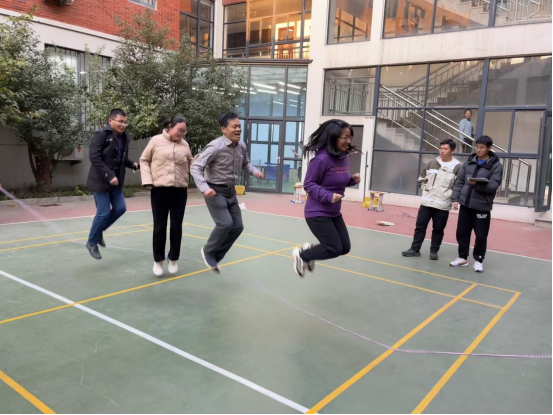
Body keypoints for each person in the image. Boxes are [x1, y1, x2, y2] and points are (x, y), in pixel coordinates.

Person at [191, 112, 265, 273]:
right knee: (225, 224)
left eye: (239, 126)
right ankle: (208, 251)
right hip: (214, 190)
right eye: (234, 126)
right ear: (224, 129)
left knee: (237, 227)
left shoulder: (241, 146)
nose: (238, 129)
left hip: (231, 191)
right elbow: (196, 166)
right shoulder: (215, 147)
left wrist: (255, 172)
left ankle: (216, 256)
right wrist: (204, 188)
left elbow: (245, 164)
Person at [293, 120, 361, 277]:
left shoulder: (343, 157)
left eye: (350, 137)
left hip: (334, 212)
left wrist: (351, 180)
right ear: (333, 137)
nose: (349, 141)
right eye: (345, 137)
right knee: (334, 248)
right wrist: (328, 196)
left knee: (344, 248)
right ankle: (302, 255)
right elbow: (308, 184)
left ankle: (308, 252)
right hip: (317, 213)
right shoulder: (321, 160)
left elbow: (335, 180)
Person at [140, 116, 194, 277]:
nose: (181, 134)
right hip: (159, 190)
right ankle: (158, 261)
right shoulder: (155, 141)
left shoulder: (185, 144)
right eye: (179, 130)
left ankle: (173, 258)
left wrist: (198, 162)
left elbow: (191, 163)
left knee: (176, 226)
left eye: (184, 131)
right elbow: (144, 160)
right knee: (160, 227)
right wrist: (148, 181)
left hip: (179, 190)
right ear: (170, 126)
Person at [86, 109, 139, 260]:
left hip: (116, 182)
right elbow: (94, 157)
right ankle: (92, 242)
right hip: (100, 181)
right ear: (110, 121)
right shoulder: (101, 135)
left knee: (120, 208)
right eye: (120, 121)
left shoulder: (124, 138)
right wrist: (109, 175)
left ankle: (98, 232)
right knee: (103, 213)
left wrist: (133, 164)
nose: (123, 125)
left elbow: (122, 158)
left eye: (125, 122)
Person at [451, 136, 504, 273]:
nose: (478, 150)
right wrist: (455, 198)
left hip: (482, 207)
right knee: (462, 232)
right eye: (477, 147)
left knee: (481, 235)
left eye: (482, 147)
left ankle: (479, 260)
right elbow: (459, 182)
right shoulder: (468, 162)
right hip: (465, 204)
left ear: (489, 148)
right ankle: (462, 258)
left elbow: (493, 186)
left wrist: (477, 185)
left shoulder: (496, 166)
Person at [402, 139, 462, 261]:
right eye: (441, 148)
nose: (442, 151)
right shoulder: (432, 163)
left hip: (442, 204)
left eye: (445, 149)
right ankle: (415, 249)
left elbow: (459, 185)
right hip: (426, 202)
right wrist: (425, 189)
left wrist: (449, 195)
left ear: (453, 151)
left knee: (438, 229)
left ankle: (434, 251)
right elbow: (421, 177)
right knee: (420, 226)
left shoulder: (457, 167)